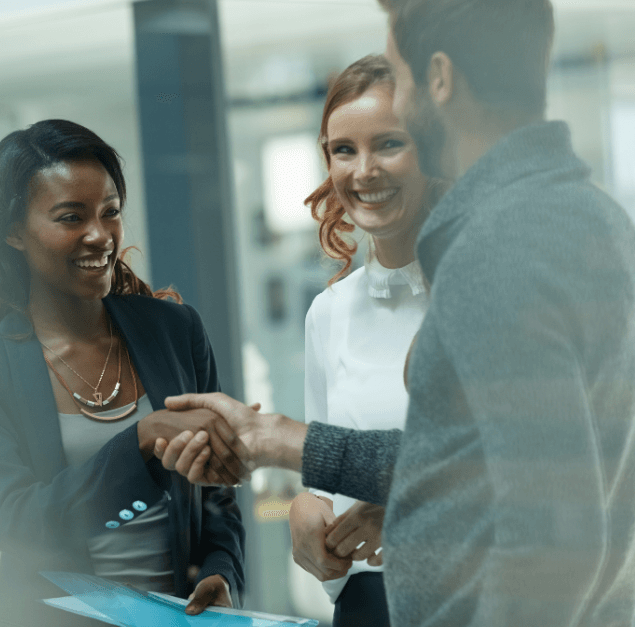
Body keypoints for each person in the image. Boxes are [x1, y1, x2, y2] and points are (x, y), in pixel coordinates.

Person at [158, 0, 635, 625]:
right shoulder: (592, 222)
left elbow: (549, 534)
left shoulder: (502, 252)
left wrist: (293, 447)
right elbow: (485, 468)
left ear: (440, 78)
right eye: (343, 149)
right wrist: (285, 454)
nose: (366, 166)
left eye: (400, 74)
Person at [0, 119, 249, 627]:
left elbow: (216, 497)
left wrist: (221, 570)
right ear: (14, 232)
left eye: (110, 212)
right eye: (70, 217)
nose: (100, 235)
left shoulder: (175, 331)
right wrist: (140, 439)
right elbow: (23, 528)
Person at [285, 54, 444, 627]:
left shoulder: (484, 295)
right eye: (344, 150)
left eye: (389, 144)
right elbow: (322, 482)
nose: (364, 171)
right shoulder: (329, 314)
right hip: (367, 606)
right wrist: (305, 510)